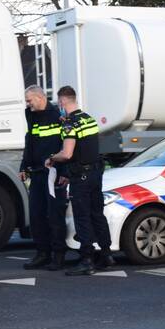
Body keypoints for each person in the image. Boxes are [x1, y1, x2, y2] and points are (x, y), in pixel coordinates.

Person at [45, 85, 113, 276]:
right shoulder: (88, 119)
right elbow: (87, 147)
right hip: (95, 174)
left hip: (81, 177)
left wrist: (52, 158)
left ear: (62, 101)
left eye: (58, 103)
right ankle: (106, 255)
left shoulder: (69, 123)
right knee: (97, 215)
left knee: (82, 217)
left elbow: (67, 153)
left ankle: (86, 260)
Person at [20, 85, 68, 271]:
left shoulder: (58, 116)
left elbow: (67, 145)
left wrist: (64, 172)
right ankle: (42, 253)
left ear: (40, 98)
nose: (28, 104)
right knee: (36, 215)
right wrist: (24, 166)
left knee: (55, 215)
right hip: (38, 173)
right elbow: (30, 142)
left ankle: (58, 255)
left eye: (29, 100)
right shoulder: (32, 115)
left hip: (54, 173)